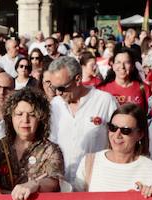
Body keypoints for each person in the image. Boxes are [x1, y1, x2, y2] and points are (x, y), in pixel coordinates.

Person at [44, 55, 118, 184]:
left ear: (78, 79)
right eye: (54, 88)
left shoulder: (105, 101)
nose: (58, 93)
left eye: (61, 88)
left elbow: (117, 143)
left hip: (95, 182)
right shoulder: (55, 105)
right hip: (61, 184)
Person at [0, 86, 64, 200]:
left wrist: (34, 185)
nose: (25, 120)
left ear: (41, 119)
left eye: (32, 115)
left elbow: (54, 182)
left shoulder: (50, 150)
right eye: (19, 114)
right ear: (10, 117)